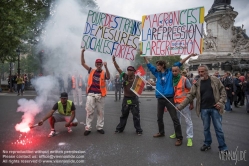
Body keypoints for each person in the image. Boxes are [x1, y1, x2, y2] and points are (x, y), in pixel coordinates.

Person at [143, 51, 197, 146]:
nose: (157, 67)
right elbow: (149, 66)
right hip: (160, 98)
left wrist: (189, 55)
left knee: (174, 118)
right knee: (159, 117)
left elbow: (180, 63)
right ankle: (161, 132)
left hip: (169, 98)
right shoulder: (157, 73)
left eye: (158, 65)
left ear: (162, 65)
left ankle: (179, 137)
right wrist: (144, 56)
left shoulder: (170, 72)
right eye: (156, 66)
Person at [176, 65, 228, 153]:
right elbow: (190, 96)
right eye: (199, 72)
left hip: (215, 108)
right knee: (206, 128)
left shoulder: (215, 80)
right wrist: (180, 106)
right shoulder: (197, 83)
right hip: (204, 109)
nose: (200, 73)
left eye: (202, 71)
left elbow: (223, 93)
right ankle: (207, 143)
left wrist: (220, 103)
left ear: (207, 71)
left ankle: (223, 147)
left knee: (218, 129)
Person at [81, 48, 110, 136]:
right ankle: (88, 128)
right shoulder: (91, 70)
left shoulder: (104, 72)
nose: (98, 65)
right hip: (91, 94)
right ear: (95, 64)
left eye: (100, 64)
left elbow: (108, 77)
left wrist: (106, 67)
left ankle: (99, 127)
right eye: (97, 64)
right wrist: (82, 52)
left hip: (100, 95)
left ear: (101, 64)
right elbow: (83, 63)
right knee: (89, 111)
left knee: (100, 112)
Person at [112, 56, 143, 135]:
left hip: (134, 99)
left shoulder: (137, 78)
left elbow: (141, 86)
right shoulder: (125, 76)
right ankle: (120, 129)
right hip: (126, 99)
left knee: (136, 116)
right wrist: (114, 61)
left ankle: (138, 130)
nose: (128, 71)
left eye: (130, 70)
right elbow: (118, 68)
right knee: (124, 115)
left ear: (133, 71)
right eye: (128, 70)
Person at [169, 66, 194, 147]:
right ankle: (176, 133)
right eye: (173, 71)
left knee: (188, 120)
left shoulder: (184, 79)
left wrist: (191, 103)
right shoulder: (172, 80)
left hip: (185, 104)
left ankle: (189, 138)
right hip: (176, 103)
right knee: (177, 120)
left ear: (179, 71)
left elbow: (191, 92)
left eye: (176, 71)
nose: (174, 72)